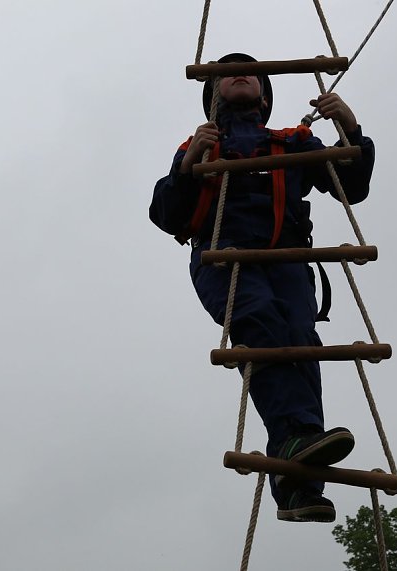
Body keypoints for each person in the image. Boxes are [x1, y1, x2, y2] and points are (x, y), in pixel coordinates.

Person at [150, 53, 375, 523]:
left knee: (301, 345)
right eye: (229, 73)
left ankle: (297, 483)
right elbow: (167, 215)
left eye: (251, 72)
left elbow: (350, 186)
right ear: (213, 96)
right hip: (225, 257)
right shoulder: (199, 145)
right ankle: (298, 443)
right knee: (259, 322)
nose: (240, 73)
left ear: (266, 94)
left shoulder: (293, 142)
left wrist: (349, 128)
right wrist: (189, 165)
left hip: (288, 261)